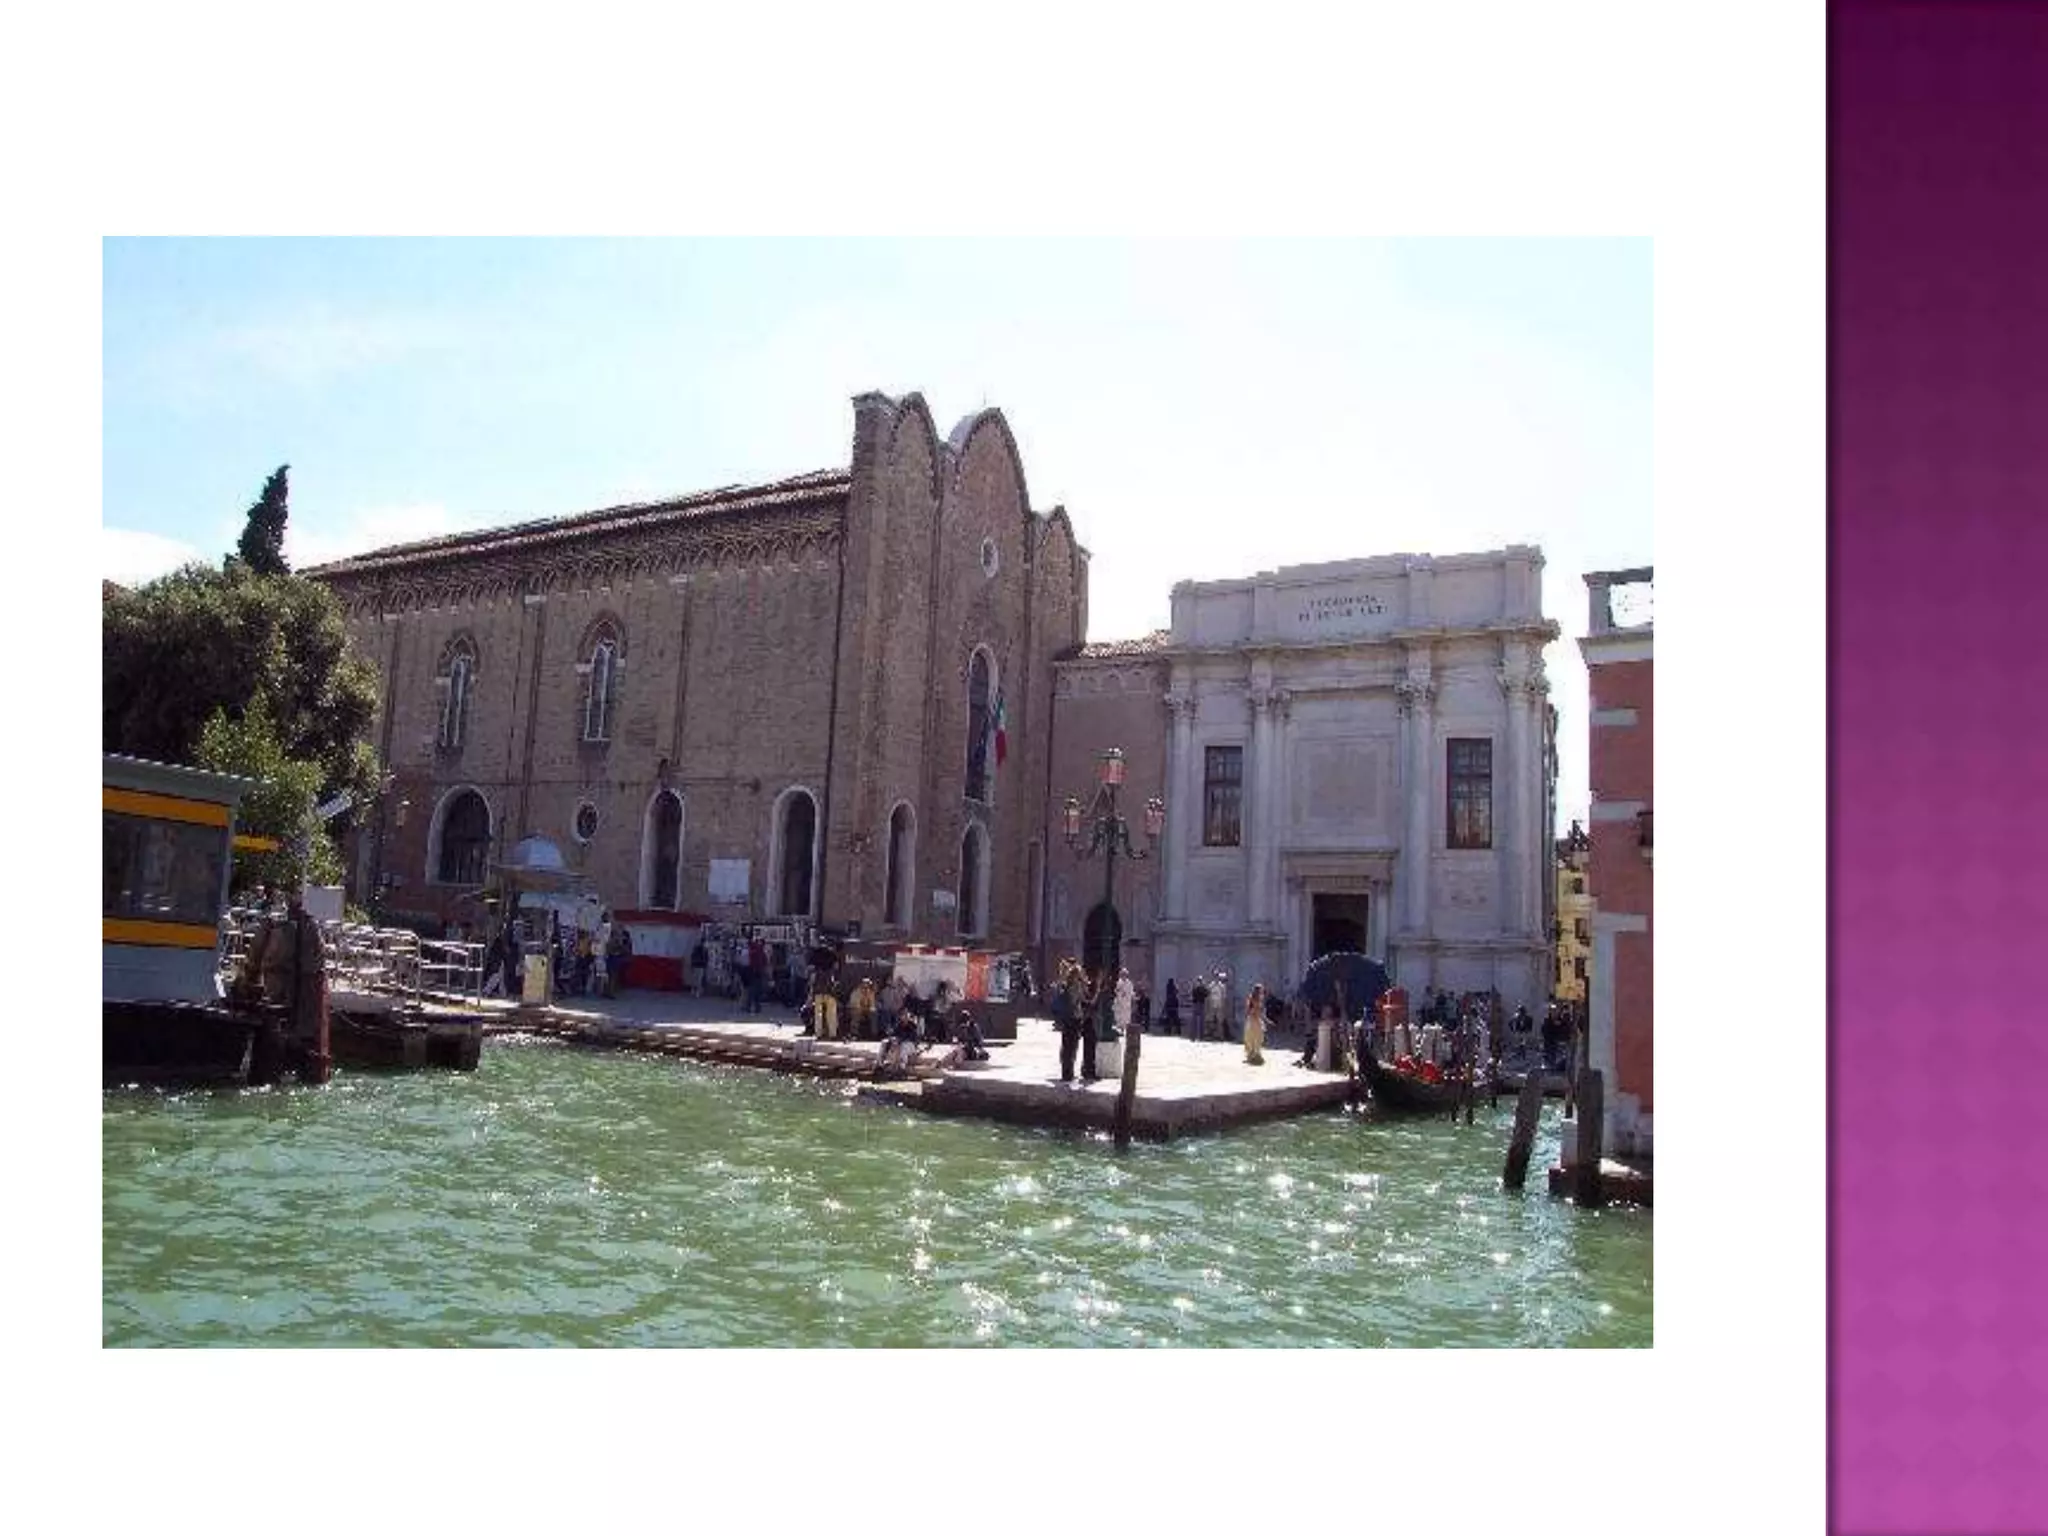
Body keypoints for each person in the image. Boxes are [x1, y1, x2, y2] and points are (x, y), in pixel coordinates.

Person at [1057, 962, 1097, 1083]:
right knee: (1072, 1046)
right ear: (1076, 975)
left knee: (1066, 1046)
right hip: (1074, 1018)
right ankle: (1068, 1073)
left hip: (1066, 1018)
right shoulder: (1076, 986)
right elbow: (1084, 1000)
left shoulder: (1065, 985)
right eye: (1080, 974)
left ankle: (1066, 1072)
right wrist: (1095, 993)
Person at [809, 946, 841, 1040]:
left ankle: (819, 1033)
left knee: (818, 1013)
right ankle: (832, 1034)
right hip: (829, 988)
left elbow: (811, 969)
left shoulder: (815, 952)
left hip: (818, 986)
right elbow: (836, 967)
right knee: (831, 1012)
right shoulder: (833, 953)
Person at [1243, 983, 1267, 1065]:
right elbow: (1250, 1010)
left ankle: (1255, 1054)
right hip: (1253, 1020)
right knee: (1253, 1038)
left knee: (1258, 1038)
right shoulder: (1252, 998)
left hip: (1256, 1019)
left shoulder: (1260, 998)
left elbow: (1261, 1011)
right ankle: (1253, 1054)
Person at [849, 977, 878, 1041]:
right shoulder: (856, 992)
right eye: (865, 984)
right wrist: (863, 1010)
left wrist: (870, 1009)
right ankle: (854, 1033)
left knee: (874, 1014)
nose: (867, 987)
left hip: (866, 1010)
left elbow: (872, 1005)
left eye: (868, 985)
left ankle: (874, 1034)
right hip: (855, 1009)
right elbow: (856, 1005)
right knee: (856, 1013)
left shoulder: (871, 993)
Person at [1112, 968, 1135, 1038]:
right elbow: (1116, 991)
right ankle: (1120, 1030)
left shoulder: (1129, 983)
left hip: (1127, 1003)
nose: (1124, 976)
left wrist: (1133, 996)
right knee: (1120, 1017)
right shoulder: (1119, 982)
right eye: (1123, 974)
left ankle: (1126, 1030)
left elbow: (1131, 991)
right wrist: (1121, 993)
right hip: (1120, 1002)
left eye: (1125, 974)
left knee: (1126, 1017)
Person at [1189, 975, 1210, 1040]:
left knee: (1199, 1021)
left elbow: (1207, 993)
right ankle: (1196, 1036)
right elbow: (1206, 993)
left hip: (1199, 1004)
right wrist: (1203, 987)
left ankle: (1197, 1036)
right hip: (1198, 1004)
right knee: (1196, 1021)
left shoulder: (1197, 987)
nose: (1199, 982)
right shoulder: (1199, 988)